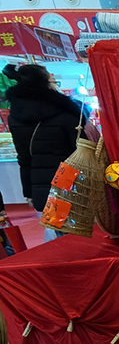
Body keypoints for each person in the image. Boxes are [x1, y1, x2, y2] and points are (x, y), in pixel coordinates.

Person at [4, 63, 87, 237]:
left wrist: (29, 191)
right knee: (88, 234)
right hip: (74, 181)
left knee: (62, 235)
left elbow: (23, 158)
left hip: (43, 186)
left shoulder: (16, 117)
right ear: (44, 84)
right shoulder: (65, 113)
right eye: (53, 81)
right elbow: (83, 151)